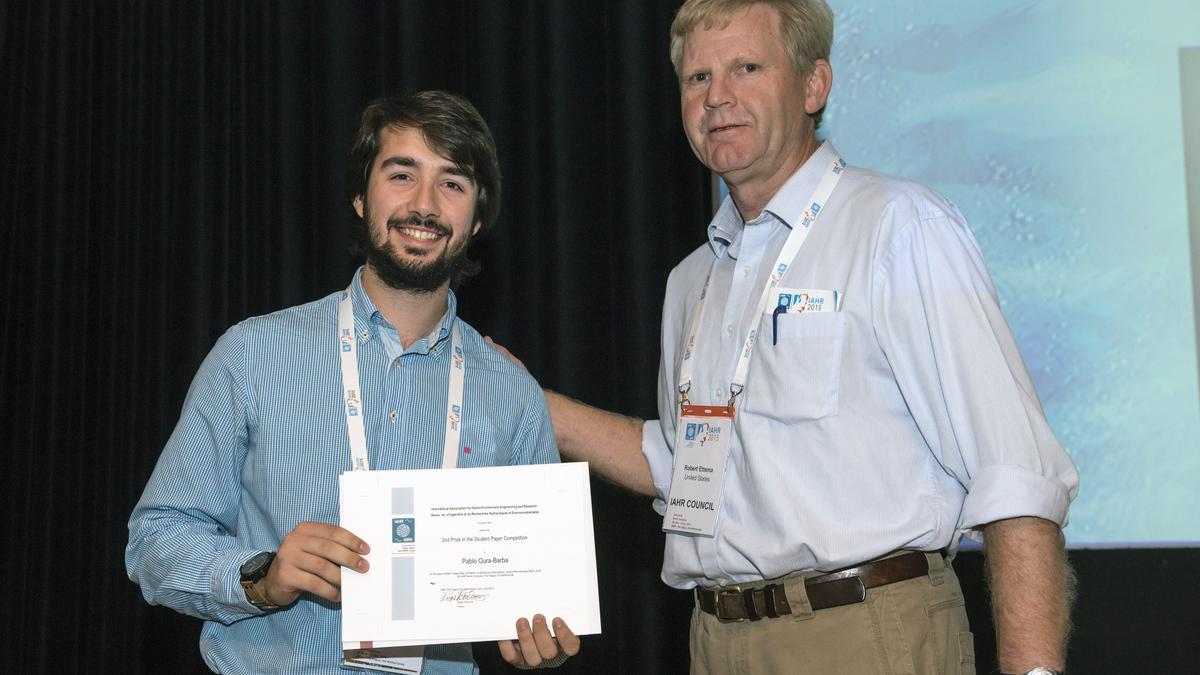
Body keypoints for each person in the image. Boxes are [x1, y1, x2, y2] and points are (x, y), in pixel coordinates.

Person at [527, 1, 1079, 673]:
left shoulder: (899, 228)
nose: (717, 97)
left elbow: (1015, 472)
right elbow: (687, 466)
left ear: (815, 85)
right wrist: (529, 401)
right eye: (697, 78)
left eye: (746, 68)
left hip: (865, 633)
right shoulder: (692, 280)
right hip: (716, 638)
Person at [126, 90, 578, 674]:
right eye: (401, 174)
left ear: (478, 218)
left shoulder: (515, 398)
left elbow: (536, 599)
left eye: (453, 183)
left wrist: (538, 640)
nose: (424, 205)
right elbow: (155, 539)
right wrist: (264, 576)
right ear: (361, 197)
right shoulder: (253, 354)